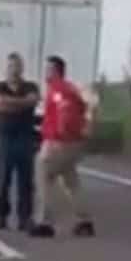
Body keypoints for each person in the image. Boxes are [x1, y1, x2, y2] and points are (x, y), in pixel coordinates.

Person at [30, 55, 95, 238]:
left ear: (56, 71)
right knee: (71, 181)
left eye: (49, 69)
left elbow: (63, 112)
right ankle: (84, 220)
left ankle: (44, 221)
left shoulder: (57, 90)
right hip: (74, 143)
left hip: (59, 142)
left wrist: (59, 134)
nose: (46, 73)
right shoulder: (71, 88)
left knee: (43, 175)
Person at [0, 52, 41, 231]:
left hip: (25, 138)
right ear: (7, 69)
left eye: (17, 66)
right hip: (5, 138)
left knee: (26, 181)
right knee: (3, 179)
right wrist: (21, 104)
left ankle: (24, 217)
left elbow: (32, 101)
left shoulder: (30, 86)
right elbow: (0, 102)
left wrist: (10, 104)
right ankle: (1, 215)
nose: (14, 70)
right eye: (11, 66)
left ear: (22, 68)